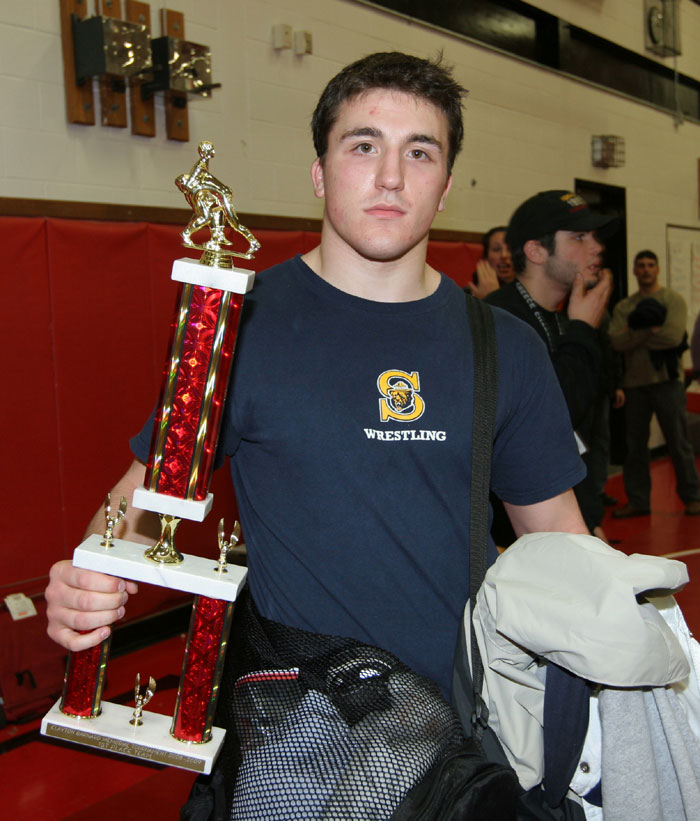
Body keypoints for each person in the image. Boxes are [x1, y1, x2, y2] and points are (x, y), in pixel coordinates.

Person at [45, 51, 589, 808]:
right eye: (364, 145)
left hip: (465, 736)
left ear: (445, 186)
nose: (390, 176)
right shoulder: (240, 329)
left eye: (419, 152)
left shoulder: (504, 346)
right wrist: (86, 578)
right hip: (299, 745)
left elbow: (558, 536)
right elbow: (142, 501)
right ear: (320, 173)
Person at [484, 190, 614, 541]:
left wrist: (589, 517)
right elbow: (551, 419)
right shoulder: (499, 321)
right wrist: (583, 330)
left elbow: (580, 436)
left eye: (594, 237)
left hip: (567, 519)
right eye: (579, 238)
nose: (597, 247)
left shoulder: (566, 316)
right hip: (517, 536)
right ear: (536, 251)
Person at [609, 250, 700, 517]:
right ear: (635, 271)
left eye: (651, 265)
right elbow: (616, 342)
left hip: (667, 382)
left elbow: (672, 337)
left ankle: (693, 497)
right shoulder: (624, 307)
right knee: (635, 446)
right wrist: (650, 330)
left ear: (657, 269)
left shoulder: (673, 300)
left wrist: (634, 334)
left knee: (678, 442)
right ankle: (638, 501)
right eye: (641, 265)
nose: (646, 269)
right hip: (635, 384)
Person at [466, 225, 514, 299]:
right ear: (486, 257)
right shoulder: (467, 295)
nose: (504, 255)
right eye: (496, 249)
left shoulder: (529, 293)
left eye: (510, 249)